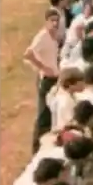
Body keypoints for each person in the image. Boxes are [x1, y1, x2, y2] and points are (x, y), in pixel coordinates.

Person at [25, 10, 62, 152]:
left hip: (54, 77)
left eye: (57, 20)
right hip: (46, 79)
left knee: (50, 113)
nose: (55, 23)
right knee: (43, 115)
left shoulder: (53, 37)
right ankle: (35, 149)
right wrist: (44, 68)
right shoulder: (42, 37)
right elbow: (28, 54)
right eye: (52, 20)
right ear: (46, 21)